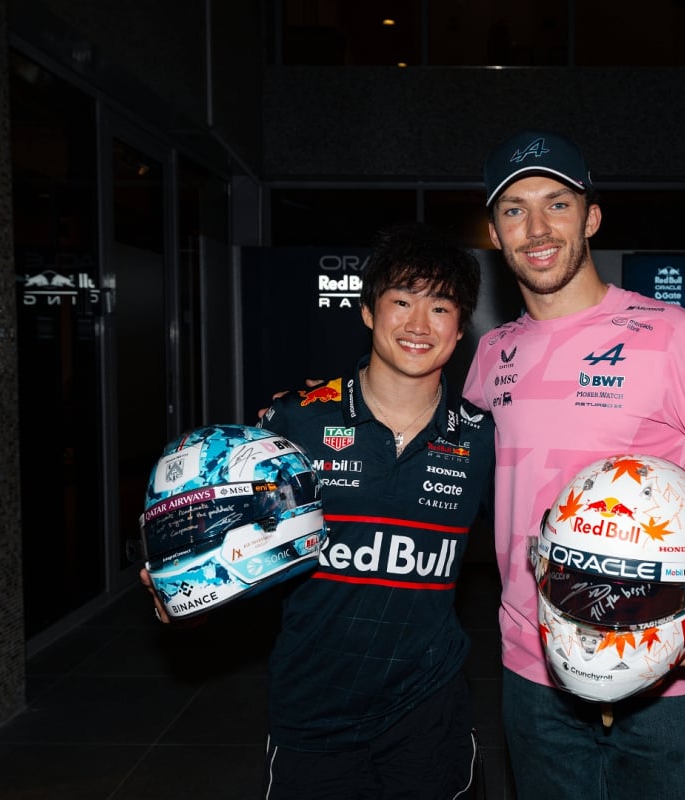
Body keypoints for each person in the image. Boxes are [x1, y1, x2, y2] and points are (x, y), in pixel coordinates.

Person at [461, 130, 685, 799]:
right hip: (533, 674)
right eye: (514, 210)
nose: (537, 227)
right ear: (495, 233)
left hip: (660, 676)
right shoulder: (492, 352)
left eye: (556, 203)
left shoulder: (672, 335)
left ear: (592, 217)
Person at [142, 223, 494, 799]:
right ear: (367, 312)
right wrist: (183, 589)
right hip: (314, 708)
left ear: (460, 328)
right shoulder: (295, 421)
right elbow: (225, 540)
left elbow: (532, 542)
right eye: (401, 301)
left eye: (440, 307)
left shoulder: (482, 439)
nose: (417, 325)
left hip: (429, 710)